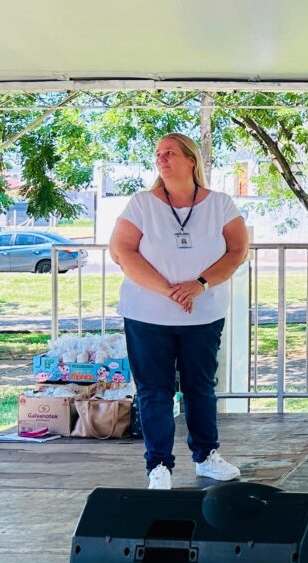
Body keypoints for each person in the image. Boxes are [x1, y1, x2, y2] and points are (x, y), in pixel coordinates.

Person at [109, 132, 249, 490]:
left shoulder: (219, 204)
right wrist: (169, 290)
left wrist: (198, 285)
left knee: (200, 387)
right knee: (154, 391)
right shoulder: (141, 204)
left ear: (191, 160)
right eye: (158, 153)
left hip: (202, 316)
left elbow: (236, 251)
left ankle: (206, 456)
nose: (162, 158)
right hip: (147, 316)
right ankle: (158, 465)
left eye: (170, 152)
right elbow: (123, 252)